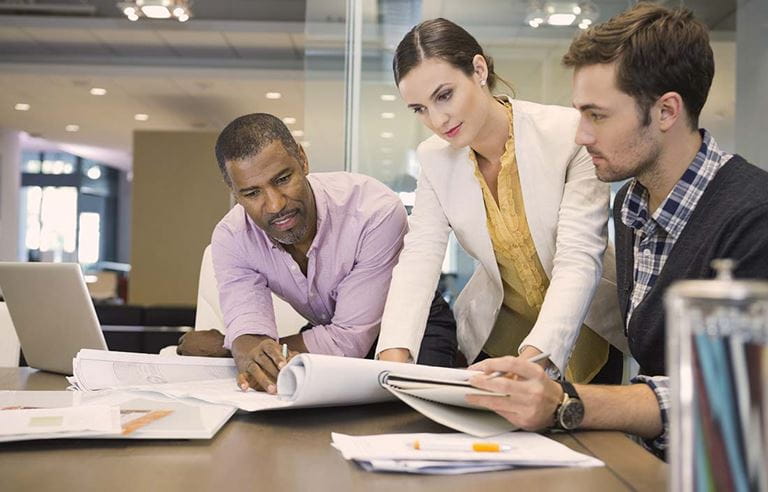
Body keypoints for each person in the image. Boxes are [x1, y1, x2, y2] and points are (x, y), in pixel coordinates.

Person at [465, 3, 768, 458]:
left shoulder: (753, 215)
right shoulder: (631, 204)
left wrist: (566, 401)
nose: (581, 135)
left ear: (666, 111)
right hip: (656, 458)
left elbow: (732, 395)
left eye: (598, 115)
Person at [375, 18, 627, 385]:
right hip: (501, 330)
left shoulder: (569, 135)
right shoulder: (433, 158)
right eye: (420, 109)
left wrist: (533, 362)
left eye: (444, 95)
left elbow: (578, 258)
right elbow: (419, 258)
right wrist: (392, 361)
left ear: (479, 69)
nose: (437, 119)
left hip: (584, 326)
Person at [178, 113, 457, 393]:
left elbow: (347, 342)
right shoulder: (233, 237)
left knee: (408, 421)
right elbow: (251, 330)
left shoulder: (374, 211)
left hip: (412, 329)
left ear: (302, 159)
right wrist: (247, 348)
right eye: (252, 193)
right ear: (234, 191)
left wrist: (231, 348)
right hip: (330, 330)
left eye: (283, 179)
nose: (275, 205)